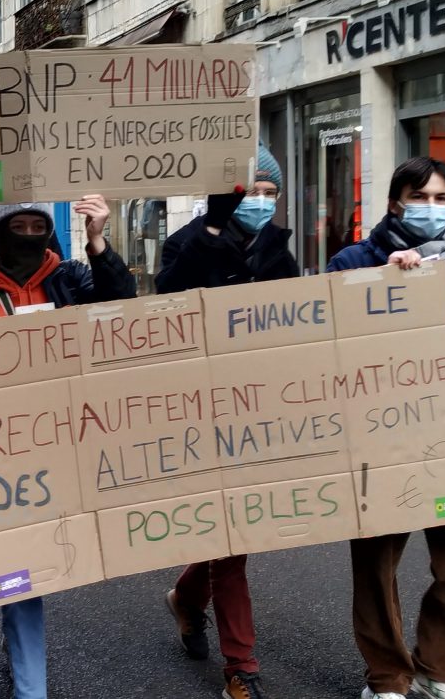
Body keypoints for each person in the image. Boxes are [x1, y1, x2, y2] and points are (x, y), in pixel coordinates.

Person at [0, 198, 136, 699]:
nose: (31, 234)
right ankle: (29, 682)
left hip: (70, 443)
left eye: (40, 226)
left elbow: (120, 306)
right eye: (20, 225)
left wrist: (98, 240)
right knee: (18, 563)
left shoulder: (72, 279)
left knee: (69, 551)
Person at [327, 156, 445, 699]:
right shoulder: (353, 262)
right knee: (377, 567)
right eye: (419, 197)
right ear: (395, 202)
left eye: (441, 198)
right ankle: (387, 678)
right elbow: (328, 345)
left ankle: (436, 669)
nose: (431, 208)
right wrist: (381, 283)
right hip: (379, 441)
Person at [156, 143, 295, 699]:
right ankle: (243, 666)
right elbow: (165, 300)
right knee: (232, 535)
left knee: (236, 531)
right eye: (250, 192)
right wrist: (210, 237)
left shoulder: (280, 253)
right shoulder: (185, 244)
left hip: (260, 408)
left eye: (270, 193)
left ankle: (187, 597)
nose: (260, 202)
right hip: (200, 406)